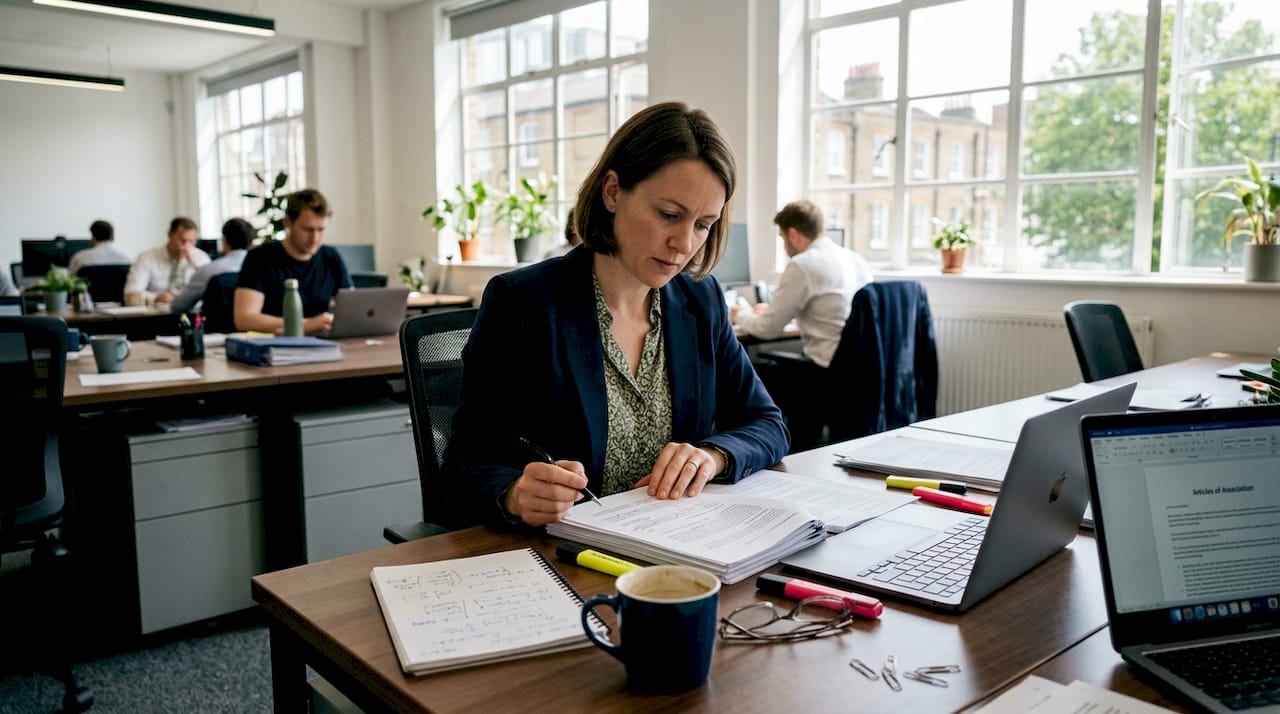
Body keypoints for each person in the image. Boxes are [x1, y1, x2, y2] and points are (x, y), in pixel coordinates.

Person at [441, 101, 789, 529]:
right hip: (567, 555)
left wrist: (712, 457)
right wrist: (513, 493)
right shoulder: (523, 301)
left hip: (678, 542)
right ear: (612, 192)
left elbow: (768, 424)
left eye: (703, 224)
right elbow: (462, 464)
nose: (684, 243)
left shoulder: (700, 300)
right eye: (668, 215)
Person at [732, 200, 874, 451]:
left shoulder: (803, 264)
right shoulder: (854, 259)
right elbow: (835, 314)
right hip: (860, 373)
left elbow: (766, 330)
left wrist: (739, 314)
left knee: (749, 373)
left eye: (783, 238)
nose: (785, 245)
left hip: (825, 375)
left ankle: (766, 448)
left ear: (793, 234)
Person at [233, 188, 351, 335]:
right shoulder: (260, 258)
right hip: (276, 347)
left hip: (323, 343)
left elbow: (352, 310)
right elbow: (244, 319)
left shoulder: (330, 256)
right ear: (288, 222)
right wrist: (306, 325)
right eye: (307, 229)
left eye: (321, 230)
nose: (315, 238)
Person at [168, 217, 255, 316]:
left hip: (218, 328)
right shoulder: (262, 268)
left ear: (224, 240)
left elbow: (178, 307)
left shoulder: (208, 270)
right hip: (258, 328)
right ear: (251, 242)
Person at [123, 217, 210, 304]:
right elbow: (130, 294)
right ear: (170, 235)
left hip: (192, 312)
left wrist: (196, 264)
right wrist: (156, 298)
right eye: (182, 240)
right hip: (157, 313)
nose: (186, 246)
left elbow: (213, 291)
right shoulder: (147, 257)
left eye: (191, 241)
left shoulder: (201, 258)